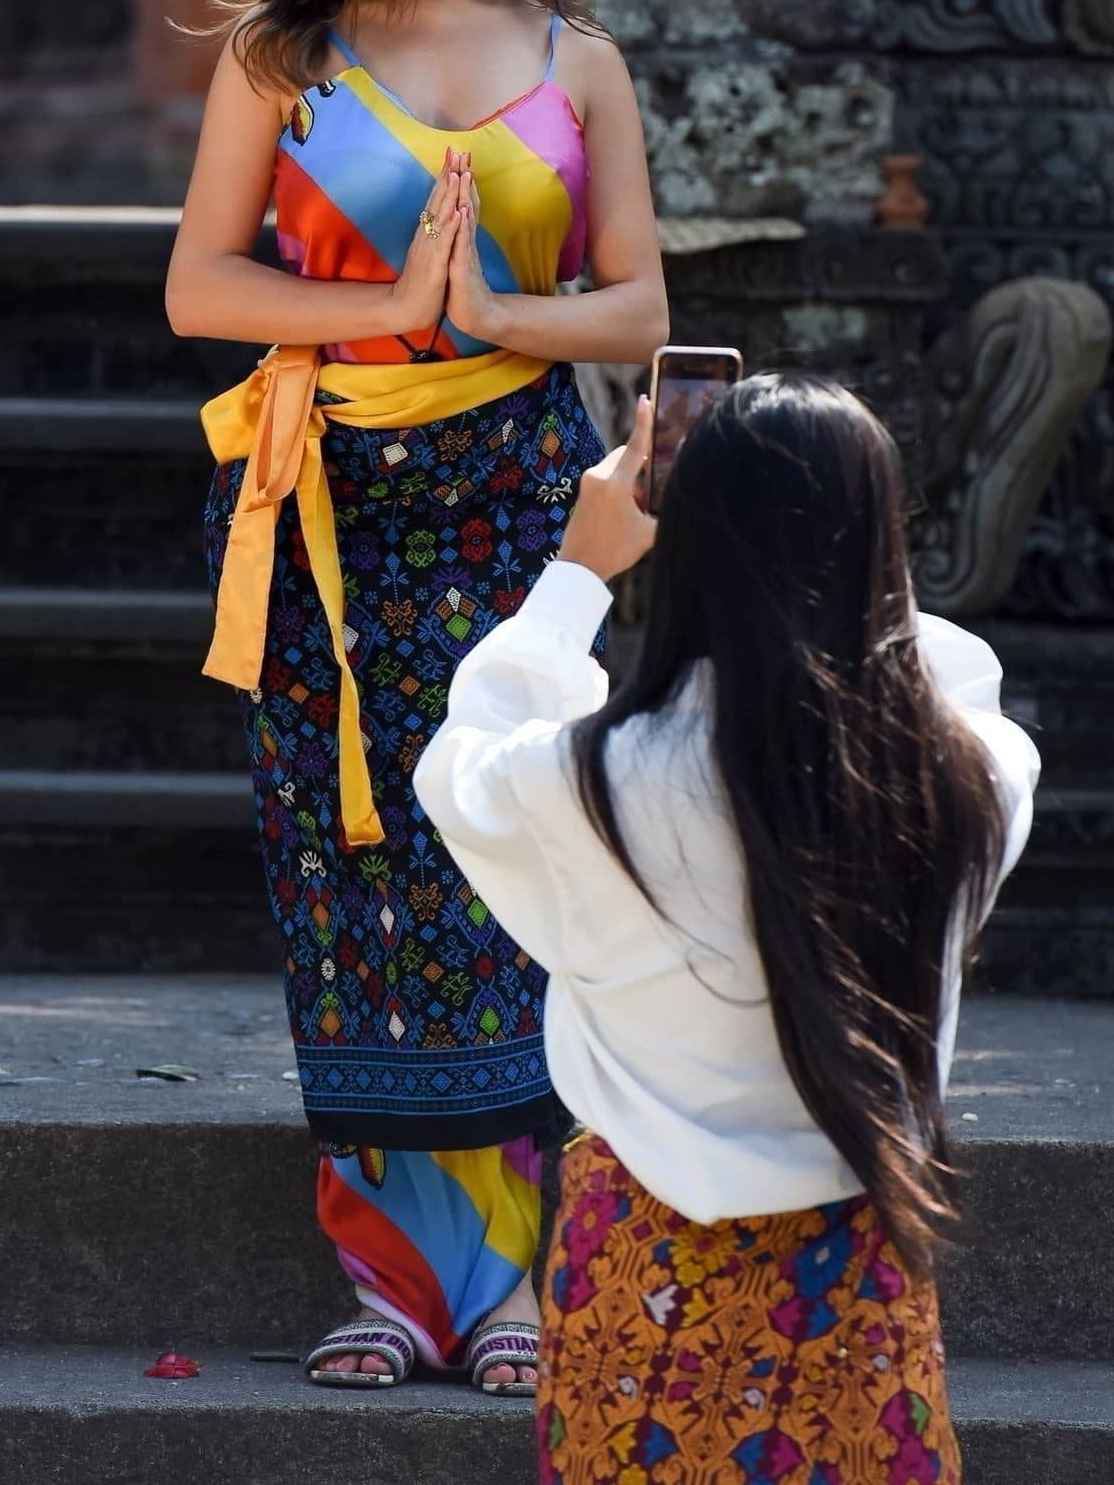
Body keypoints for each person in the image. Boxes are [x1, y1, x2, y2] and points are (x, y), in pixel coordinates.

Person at [164, 0, 668, 1393]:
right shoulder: (285, 56)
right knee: (356, 881)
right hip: (335, 514)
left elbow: (644, 303)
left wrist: (501, 319)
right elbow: (198, 286)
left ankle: (522, 1295)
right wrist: (389, 300)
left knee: (521, 863)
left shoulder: (574, 58)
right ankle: (389, 1291)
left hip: (527, 502)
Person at [414, 375, 1038, 1480]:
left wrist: (574, 575)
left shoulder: (588, 779)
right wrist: (841, 540)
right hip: (853, 1278)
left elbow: (460, 757)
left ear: (685, 541)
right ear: (881, 546)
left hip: (636, 1282)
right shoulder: (963, 780)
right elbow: (949, 671)